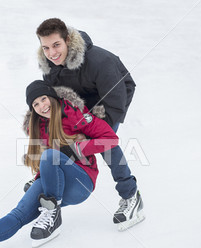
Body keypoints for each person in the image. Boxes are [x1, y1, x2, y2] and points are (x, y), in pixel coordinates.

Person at [0, 80, 120, 248]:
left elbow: (111, 139)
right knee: (20, 212)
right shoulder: (37, 127)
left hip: (82, 180)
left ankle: (53, 212)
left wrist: (78, 148)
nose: (41, 106)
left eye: (43, 99)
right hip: (56, 184)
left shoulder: (75, 115)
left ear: (52, 98)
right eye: (35, 104)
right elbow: (46, 162)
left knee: (50, 155)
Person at [30, 18, 144, 231]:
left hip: (111, 97)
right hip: (79, 103)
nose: (52, 53)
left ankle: (130, 196)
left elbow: (115, 100)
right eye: (46, 47)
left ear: (67, 40)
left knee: (105, 143)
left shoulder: (100, 62)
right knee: (59, 134)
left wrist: (91, 131)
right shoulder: (50, 67)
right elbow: (53, 102)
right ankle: (48, 183)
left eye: (56, 45)